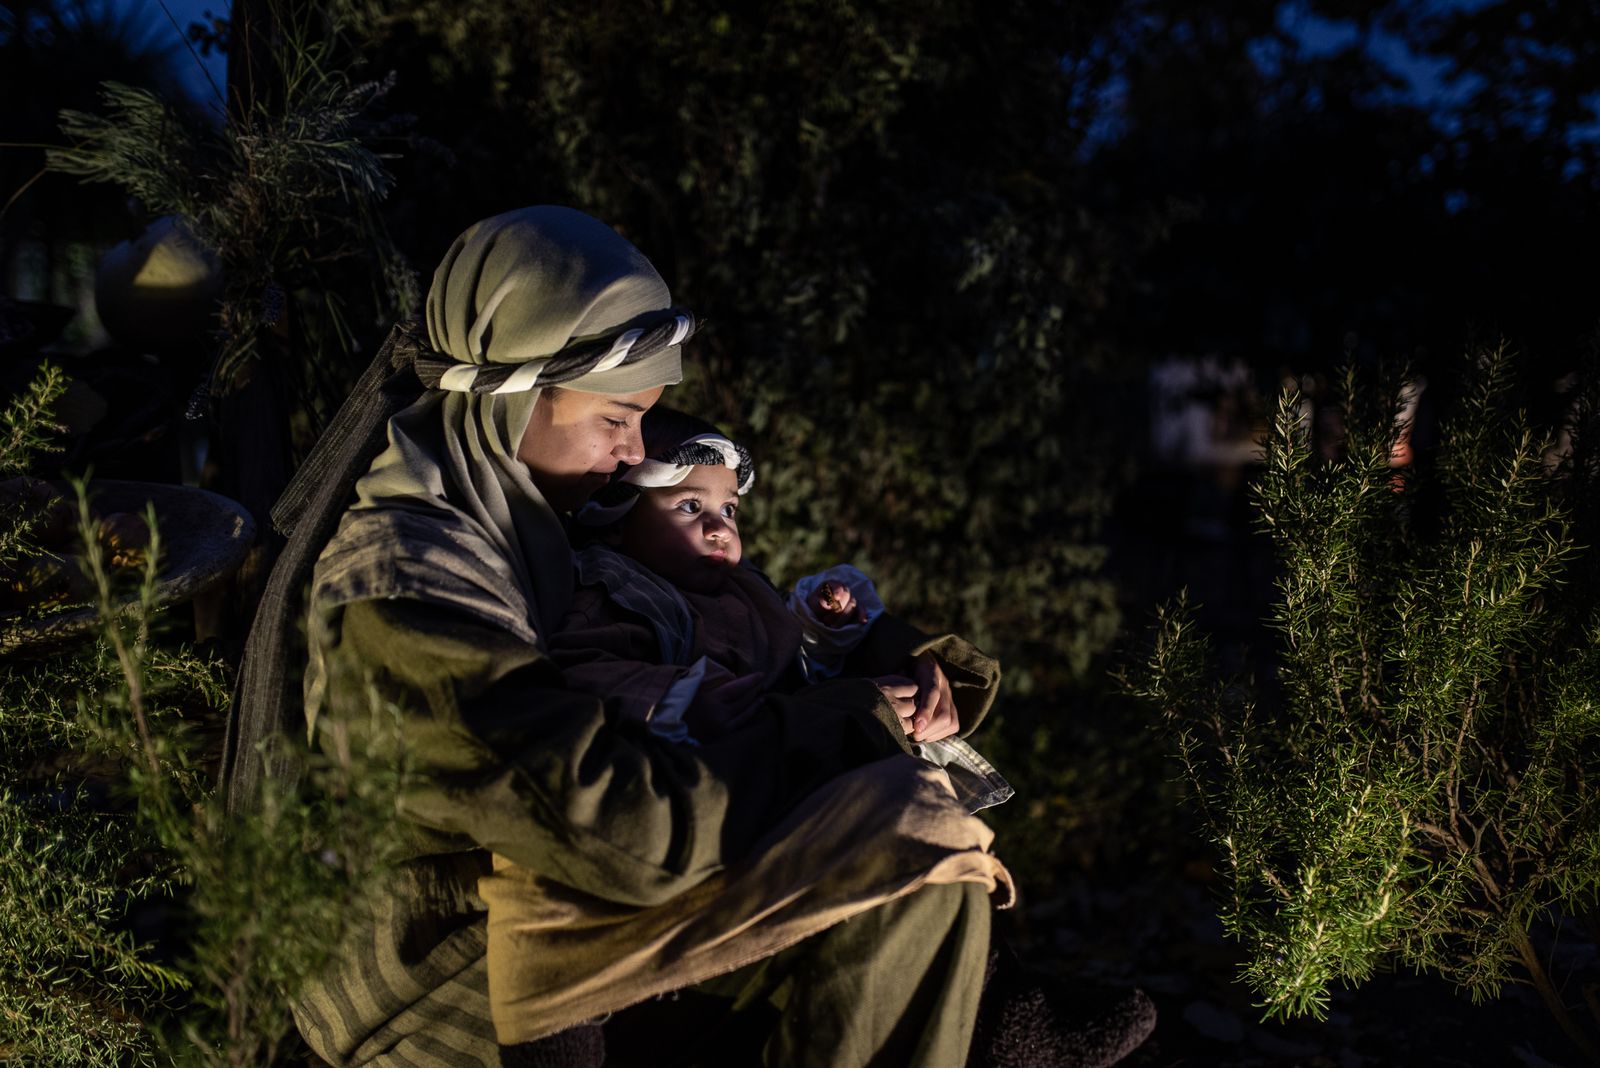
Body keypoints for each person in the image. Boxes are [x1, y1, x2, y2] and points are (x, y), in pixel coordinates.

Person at [245, 206, 1015, 1067]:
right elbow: (618, 827)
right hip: (442, 972)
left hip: (570, 898)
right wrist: (837, 729)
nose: (632, 451)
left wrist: (889, 663)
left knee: (917, 862)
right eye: (616, 419)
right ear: (512, 397)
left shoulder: (531, 522)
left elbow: (726, 626)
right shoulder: (410, 588)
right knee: (906, 867)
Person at [545, 407, 1014, 816]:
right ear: (616, 523)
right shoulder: (616, 591)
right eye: (689, 506)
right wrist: (679, 699)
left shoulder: (742, 586)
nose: (719, 528)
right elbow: (580, 669)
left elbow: (793, 661)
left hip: (798, 763)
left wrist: (826, 627)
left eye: (729, 510)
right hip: (726, 785)